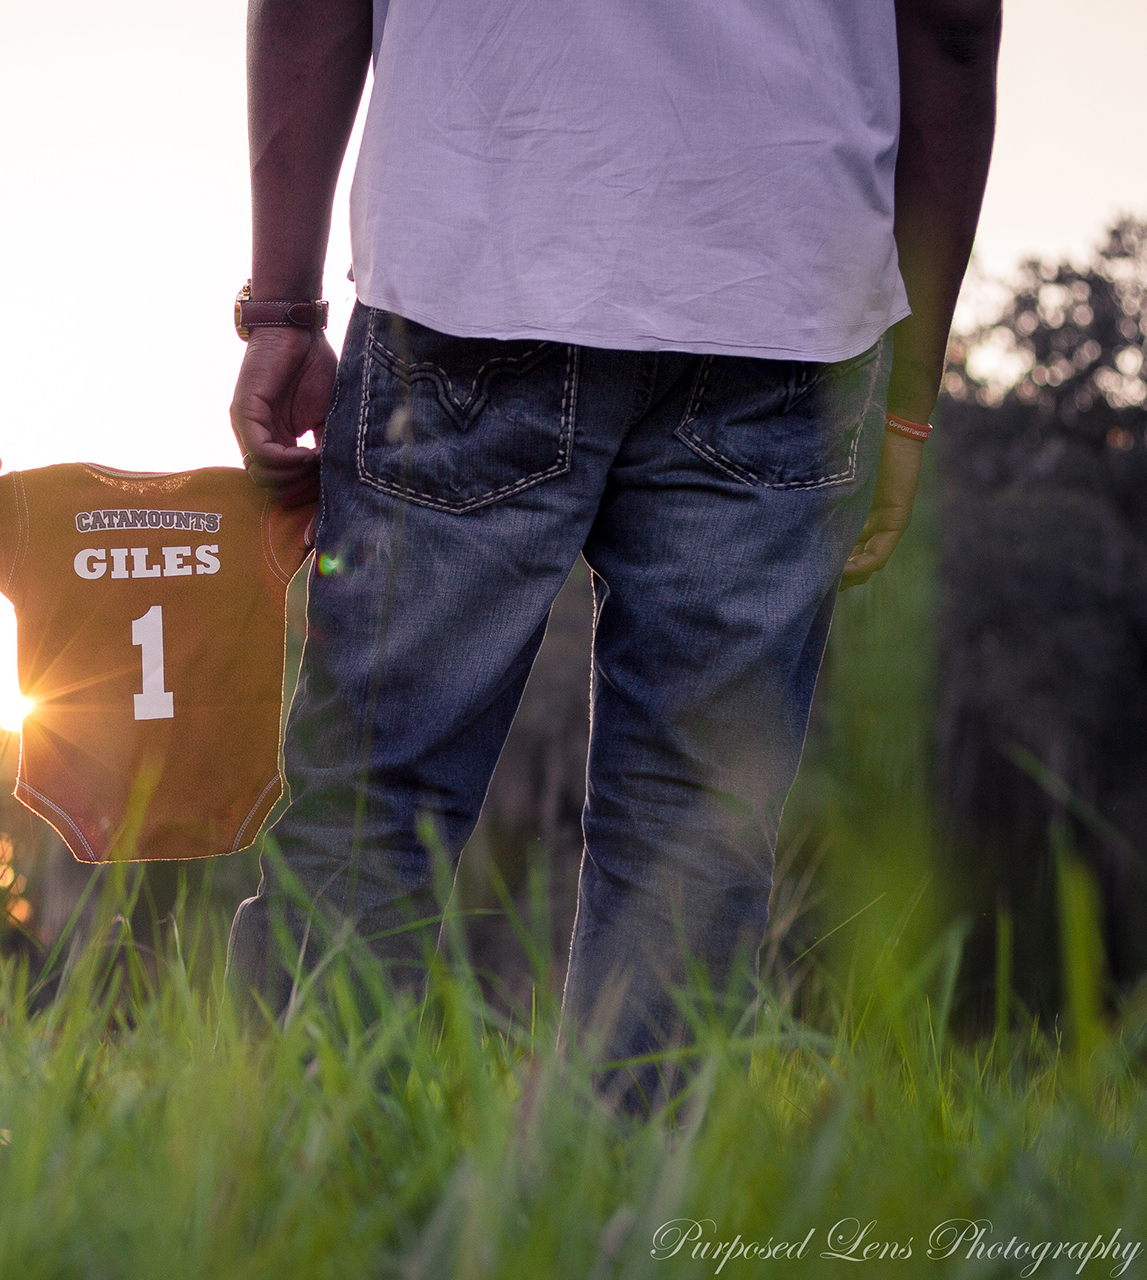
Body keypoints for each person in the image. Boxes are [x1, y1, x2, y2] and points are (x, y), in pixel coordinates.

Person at [227, 0, 1000, 1106]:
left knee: (375, 798)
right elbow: (955, 25)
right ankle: (633, 1194)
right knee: (693, 825)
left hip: (476, 248)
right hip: (786, 301)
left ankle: (307, 1172)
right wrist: (911, 397)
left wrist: (283, 310)